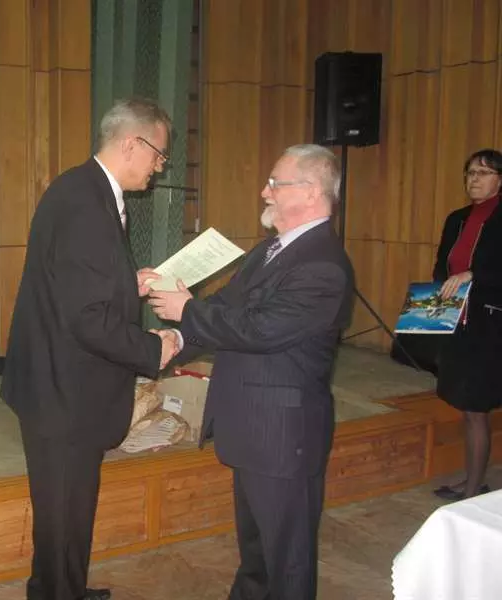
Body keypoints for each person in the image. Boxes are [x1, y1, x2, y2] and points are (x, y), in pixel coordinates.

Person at [148, 144, 353, 600]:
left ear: (311, 191)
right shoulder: (271, 250)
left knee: (287, 561)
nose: (264, 191)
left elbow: (261, 330)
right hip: (252, 426)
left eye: (275, 183)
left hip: (281, 434)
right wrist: (175, 339)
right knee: (257, 554)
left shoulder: (323, 264)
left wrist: (187, 311)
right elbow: (225, 308)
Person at [0, 97, 181, 600]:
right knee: (64, 515)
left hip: (60, 384)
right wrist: (153, 348)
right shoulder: (87, 204)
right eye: (158, 155)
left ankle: (62, 590)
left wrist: (127, 283)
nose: (159, 167)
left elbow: (75, 284)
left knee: (66, 515)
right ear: (132, 144)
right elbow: (86, 319)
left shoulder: (82, 189)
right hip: (64, 393)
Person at [432, 148, 502, 502]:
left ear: (500, 180)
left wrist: (473, 275)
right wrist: (434, 297)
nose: (474, 179)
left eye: (484, 173)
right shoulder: (457, 219)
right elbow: (441, 267)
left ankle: (473, 491)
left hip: (489, 327)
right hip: (457, 322)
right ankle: (472, 481)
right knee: (466, 405)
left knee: (476, 408)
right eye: (471, 172)